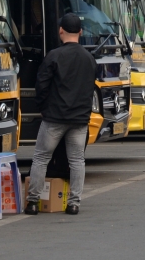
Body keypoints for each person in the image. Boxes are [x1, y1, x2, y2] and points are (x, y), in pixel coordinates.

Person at [26, 13, 97, 216]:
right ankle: (73, 203)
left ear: (60, 31)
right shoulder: (89, 58)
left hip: (54, 118)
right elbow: (90, 88)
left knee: (41, 158)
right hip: (79, 120)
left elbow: (42, 86)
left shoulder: (54, 56)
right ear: (81, 32)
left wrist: (43, 108)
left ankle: (33, 202)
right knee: (77, 161)